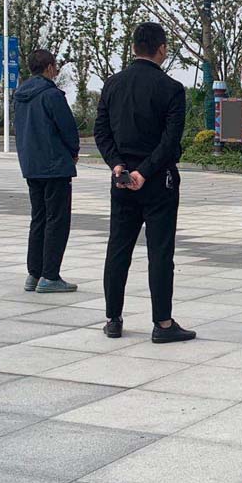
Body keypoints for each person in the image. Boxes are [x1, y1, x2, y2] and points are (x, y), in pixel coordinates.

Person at [94, 22, 192, 343]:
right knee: (160, 252)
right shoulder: (171, 89)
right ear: (161, 49)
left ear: (134, 47)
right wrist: (145, 172)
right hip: (158, 183)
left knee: (118, 249)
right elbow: (169, 141)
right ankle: (162, 323)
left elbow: (101, 132)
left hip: (122, 181)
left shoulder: (112, 85)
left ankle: (113, 319)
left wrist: (118, 165)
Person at [14, 49, 80, 294]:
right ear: (50, 67)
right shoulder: (52, 95)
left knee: (38, 218)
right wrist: (73, 151)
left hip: (32, 165)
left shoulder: (20, 95)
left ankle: (34, 273)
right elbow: (67, 128)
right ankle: (50, 276)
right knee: (57, 220)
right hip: (55, 166)